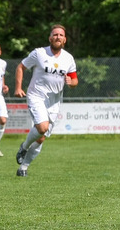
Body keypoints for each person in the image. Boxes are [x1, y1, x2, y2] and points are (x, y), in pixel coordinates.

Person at [14, 24, 78, 177]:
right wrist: (18, 87)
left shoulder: (68, 58)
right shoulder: (39, 53)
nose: (58, 37)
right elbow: (21, 67)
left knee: (41, 138)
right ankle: (24, 147)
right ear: (50, 38)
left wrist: (71, 82)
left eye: (61, 35)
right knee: (42, 127)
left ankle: (23, 168)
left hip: (54, 102)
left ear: (65, 40)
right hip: (36, 96)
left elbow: (75, 80)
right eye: (55, 34)